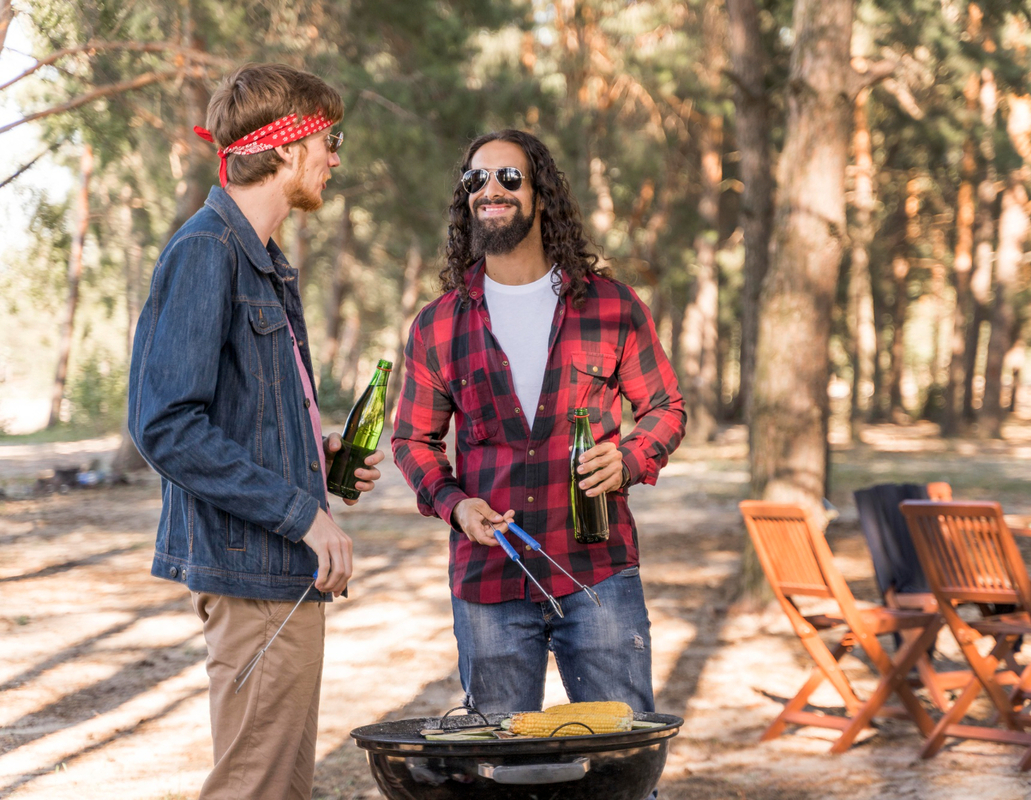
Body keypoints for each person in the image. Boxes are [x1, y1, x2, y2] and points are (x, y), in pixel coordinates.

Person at [127, 63, 383, 800]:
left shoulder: (263, 259)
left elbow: (240, 413)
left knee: (277, 786)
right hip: (254, 574)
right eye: (329, 140)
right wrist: (301, 511)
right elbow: (167, 425)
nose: (336, 158)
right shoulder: (208, 250)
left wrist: (317, 457)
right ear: (290, 146)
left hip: (280, 572)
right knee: (255, 789)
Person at [391, 129, 686, 719]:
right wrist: (454, 504)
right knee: (499, 771)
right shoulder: (438, 324)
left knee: (618, 763)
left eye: (509, 177)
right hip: (489, 582)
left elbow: (665, 408)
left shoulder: (612, 305)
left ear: (541, 195)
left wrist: (628, 459)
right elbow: (412, 439)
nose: (490, 190)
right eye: (476, 179)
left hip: (597, 573)